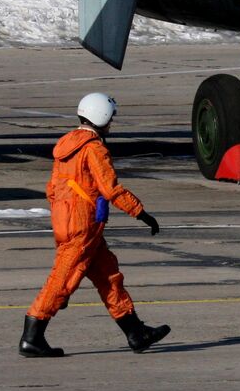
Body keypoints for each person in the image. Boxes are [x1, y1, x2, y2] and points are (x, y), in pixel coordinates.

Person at [19, 92, 170, 357]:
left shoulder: (65, 145)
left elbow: (52, 189)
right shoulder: (93, 148)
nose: (111, 124)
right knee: (62, 281)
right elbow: (110, 189)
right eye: (110, 119)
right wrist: (142, 213)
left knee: (108, 276)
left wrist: (64, 216)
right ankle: (32, 336)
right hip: (83, 226)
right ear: (101, 117)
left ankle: (135, 332)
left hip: (68, 221)